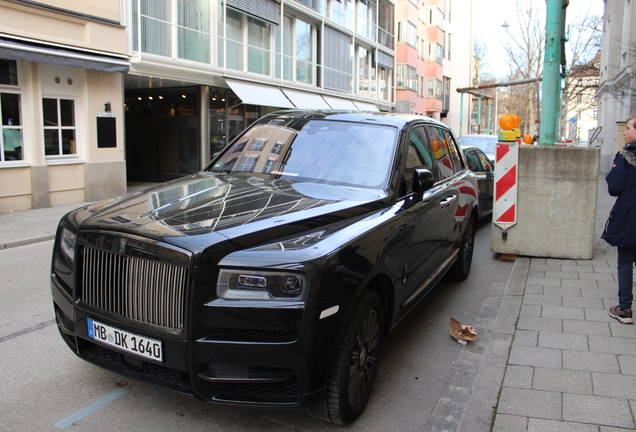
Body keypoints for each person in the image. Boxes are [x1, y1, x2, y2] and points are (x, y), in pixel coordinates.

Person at [602, 116, 636, 324]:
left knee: (625, 262)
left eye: (629, 128)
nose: (624, 132)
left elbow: (614, 188)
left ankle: (625, 309)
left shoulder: (626, 155)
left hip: (630, 217)